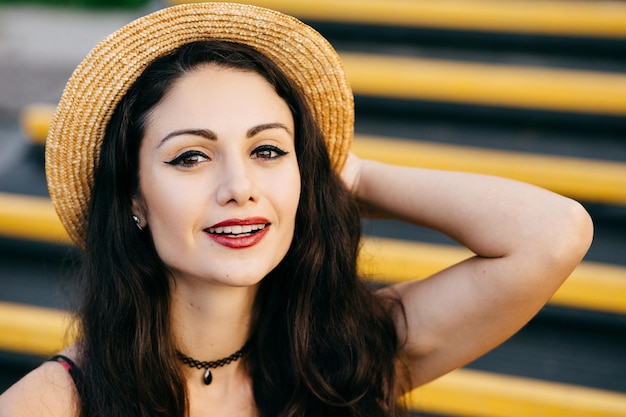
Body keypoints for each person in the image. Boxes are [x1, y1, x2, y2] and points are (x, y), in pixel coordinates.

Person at [0, 3, 593, 417]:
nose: (240, 186)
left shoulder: (344, 356)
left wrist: (349, 177)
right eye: (189, 158)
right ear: (134, 199)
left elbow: (554, 233)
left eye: (267, 150)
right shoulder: (55, 404)